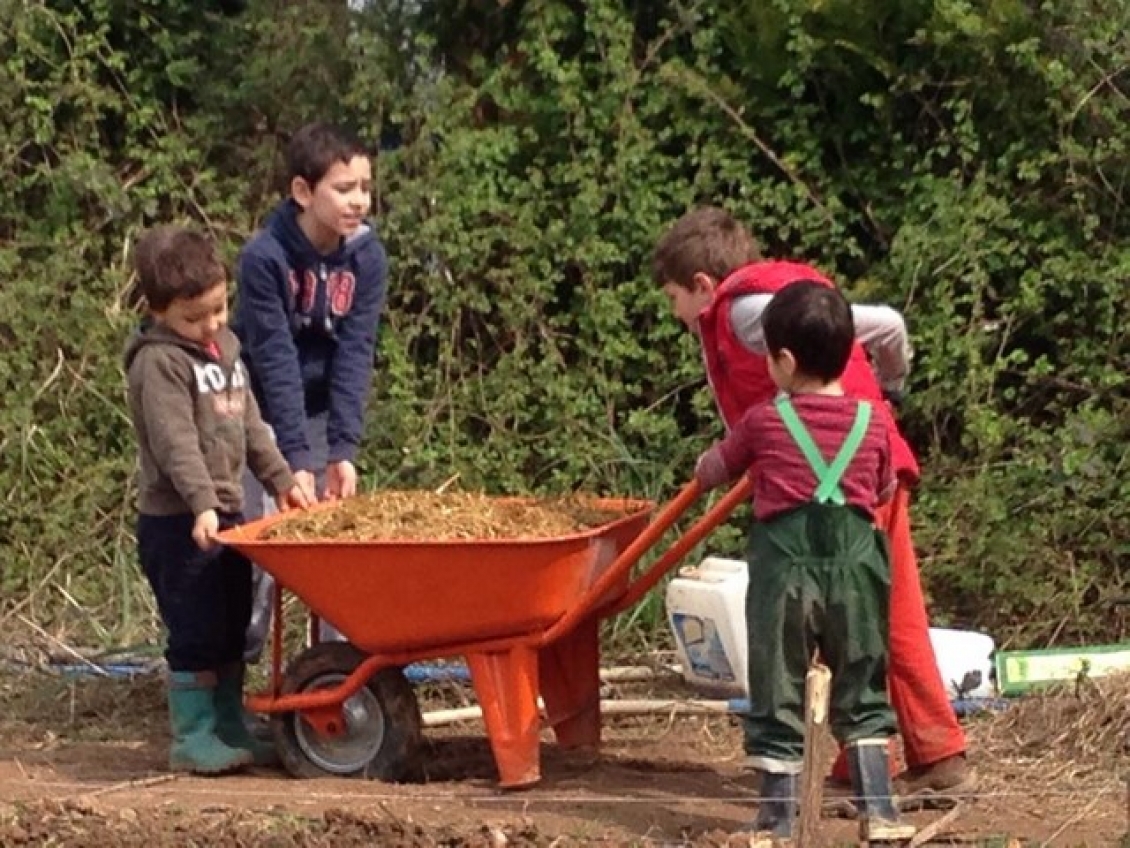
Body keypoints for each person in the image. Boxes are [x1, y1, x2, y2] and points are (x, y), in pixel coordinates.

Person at [652, 206, 974, 808]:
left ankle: (919, 758)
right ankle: (892, 758)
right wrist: (886, 386)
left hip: (848, 476)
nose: (675, 313)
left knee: (863, 616)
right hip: (849, 466)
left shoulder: (749, 312)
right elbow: (880, 335)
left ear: (701, 285)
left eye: (673, 297)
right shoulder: (752, 307)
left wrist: (888, 385)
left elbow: (883, 323)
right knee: (861, 612)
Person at [693, 281, 915, 840]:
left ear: (784, 361)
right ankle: (880, 813)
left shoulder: (764, 421)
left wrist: (705, 466)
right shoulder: (875, 421)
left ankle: (775, 821)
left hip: (785, 572)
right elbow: (885, 488)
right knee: (863, 682)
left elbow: (714, 470)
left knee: (778, 684)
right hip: (859, 571)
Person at [125, 226, 310, 774]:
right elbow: (175, 443)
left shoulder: (226, 348)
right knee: (197, 629)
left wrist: (280, 478)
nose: (211, 324)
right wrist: (202, 503)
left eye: (219, 308)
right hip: (180, 520)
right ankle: (194, 732)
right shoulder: (159, 364)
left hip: (227, 513)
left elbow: (250, 423)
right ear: (159, 312)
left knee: (232, 624)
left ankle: (230, 722)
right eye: (194, 317)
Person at [233, 122, 389, 659]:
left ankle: (335, 675)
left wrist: (342, 450)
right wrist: (291, 459)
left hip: (322, 412)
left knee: (333, 548)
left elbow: (355, 352)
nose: (358, 201)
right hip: (254, 413)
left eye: (365, 187)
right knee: (257, 551)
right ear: (303, 192)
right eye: (343, 189)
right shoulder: (264, 258)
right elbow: (273, 359)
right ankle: (227, 682)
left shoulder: (368, 258)